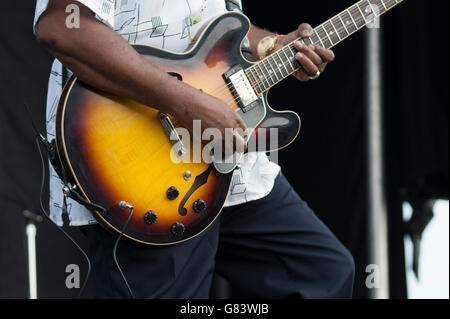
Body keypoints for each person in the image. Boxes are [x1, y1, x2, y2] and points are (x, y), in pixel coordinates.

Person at [34, 0, 355, 298]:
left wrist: (271, 45)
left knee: (325, 275)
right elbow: (62, 28)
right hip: (143, 172)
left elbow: (212, 23)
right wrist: (188, 104)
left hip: (232, 171)